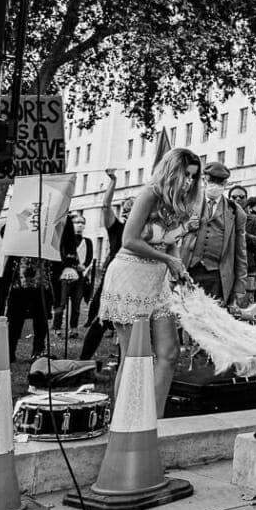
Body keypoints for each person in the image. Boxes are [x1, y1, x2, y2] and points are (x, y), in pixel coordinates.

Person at [99, 147, 200, 417]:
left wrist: (178, 266)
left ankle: (155, 420)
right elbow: (129, 240)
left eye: (193, 177)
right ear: (172, 171)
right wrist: (168, 261)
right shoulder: (149, 194)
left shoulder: (180, 203)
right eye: (185, 175)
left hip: (158, 281)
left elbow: (170, 244)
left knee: (169, 353)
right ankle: (122, 422)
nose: (189, 181)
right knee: (134, 356)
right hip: (129, 275)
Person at [5, 218, 76, 363]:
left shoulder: (55, 210)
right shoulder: (25, 207)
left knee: (41, 315)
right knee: (14, 315)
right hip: (20, 272)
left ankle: (38, 350)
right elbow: (6, 233)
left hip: (45, 272)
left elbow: (68, 237)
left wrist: (69, 263)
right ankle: (9, 350)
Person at [80, 170, 133, 360]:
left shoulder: (145, 232)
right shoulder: (117, 228)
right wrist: (114, 181)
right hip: (115, 279)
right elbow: (105, 206)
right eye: (126, 210)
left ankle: (123, 363)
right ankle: (83, 362)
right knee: (102, 320)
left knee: (129, 322)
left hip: (134, 280)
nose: (129, 213)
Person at [180, 161, 248, 307]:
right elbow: (166, 234)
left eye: (219, 182)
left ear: (225, 183)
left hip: (217, 276)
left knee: (211, 324)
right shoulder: (188, 202)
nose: (215, 185)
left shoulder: (235, 211)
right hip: (188, 271)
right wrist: (186, 227)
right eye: (212, 180)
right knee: (185, 320)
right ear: (204, 179)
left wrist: (239, 287)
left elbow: (240, 253)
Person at [52, 212, 93, 338]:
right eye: (77, 222)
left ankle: (73, 329)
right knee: (61, 303)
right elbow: (63, 256)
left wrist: (83, 266)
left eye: (82, 223)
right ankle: (57, 328)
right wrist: (75, 266)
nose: (80, 225)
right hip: (65, 275)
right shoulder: (64, 241)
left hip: (80, 277)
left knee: (76, 304)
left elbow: (89, 257)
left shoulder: (87, 241)